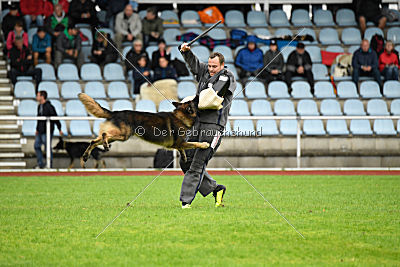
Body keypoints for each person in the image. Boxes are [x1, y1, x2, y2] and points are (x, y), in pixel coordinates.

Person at [179, 42, 236, 209]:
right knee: (185, 160)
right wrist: (186, 52)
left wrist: (188, 104)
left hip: (214, 126)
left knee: (197, 163)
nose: (211, 69)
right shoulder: (205, 70)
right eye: (209, 66)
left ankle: (185, 201)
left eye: (214, 66)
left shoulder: (227, 77)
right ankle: (215, 189)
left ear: (222, 65)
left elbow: (211, 97)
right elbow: (195, 65)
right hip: (197, 124)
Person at [34, 90, 63, 169]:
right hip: (40, 131)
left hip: (47, 131)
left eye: (38, 95)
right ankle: (40, 164)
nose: (36, 97)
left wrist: (59, 128)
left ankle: (49, 164)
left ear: (42, 97)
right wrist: (37, 129)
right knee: (36, 146)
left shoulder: (49, 107)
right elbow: (38, 119)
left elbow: (55, 118)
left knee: (47, 147)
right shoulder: (39, 106)